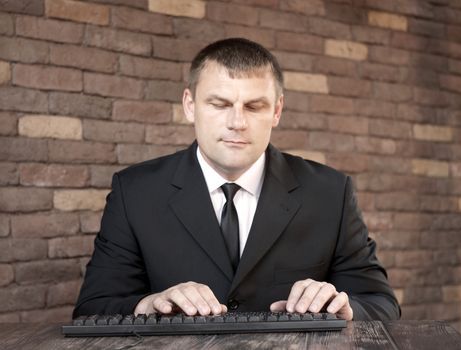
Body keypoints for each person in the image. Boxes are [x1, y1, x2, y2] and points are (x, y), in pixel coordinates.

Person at [73, 38, 401, 321]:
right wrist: (149, 304)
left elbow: (381, 303)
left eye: (255, 107)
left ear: (277, 111)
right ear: (190, 105)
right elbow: (93, 307)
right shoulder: (135, 192)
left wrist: (346, 309)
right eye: (220, 104)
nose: (237, 122)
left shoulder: (331, 193)